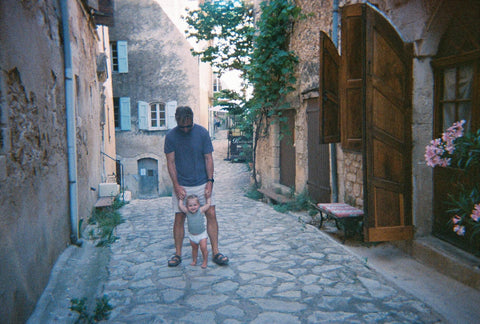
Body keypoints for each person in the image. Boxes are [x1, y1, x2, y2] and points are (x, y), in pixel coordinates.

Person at [164, 106, 229, 267]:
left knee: (211, 213)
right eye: (182, 126)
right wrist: (176, 185)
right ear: (176, 121)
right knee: (179, 217)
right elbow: (170, 162)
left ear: (192, 119)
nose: (185, 129)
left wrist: (210, 181)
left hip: (202, 182)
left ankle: (215, 252)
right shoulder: (171, 137)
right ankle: (178, 254)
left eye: (188, 125)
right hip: (182, 185)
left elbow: (208, 158)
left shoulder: (202, 133)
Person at [178, 195, 210, 268]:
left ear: (198, 205)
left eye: (195, 205)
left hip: (202, 234)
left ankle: (205, 261)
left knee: (203, 247)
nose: (193, 207)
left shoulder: (200, 210)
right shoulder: (187, 212)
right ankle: (194, 260)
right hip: (192, 235)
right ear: (187, 206)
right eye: (190, 205)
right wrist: (181, 199)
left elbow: (208, 205)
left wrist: (208, 198)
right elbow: (180, 206)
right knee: (194, 249)